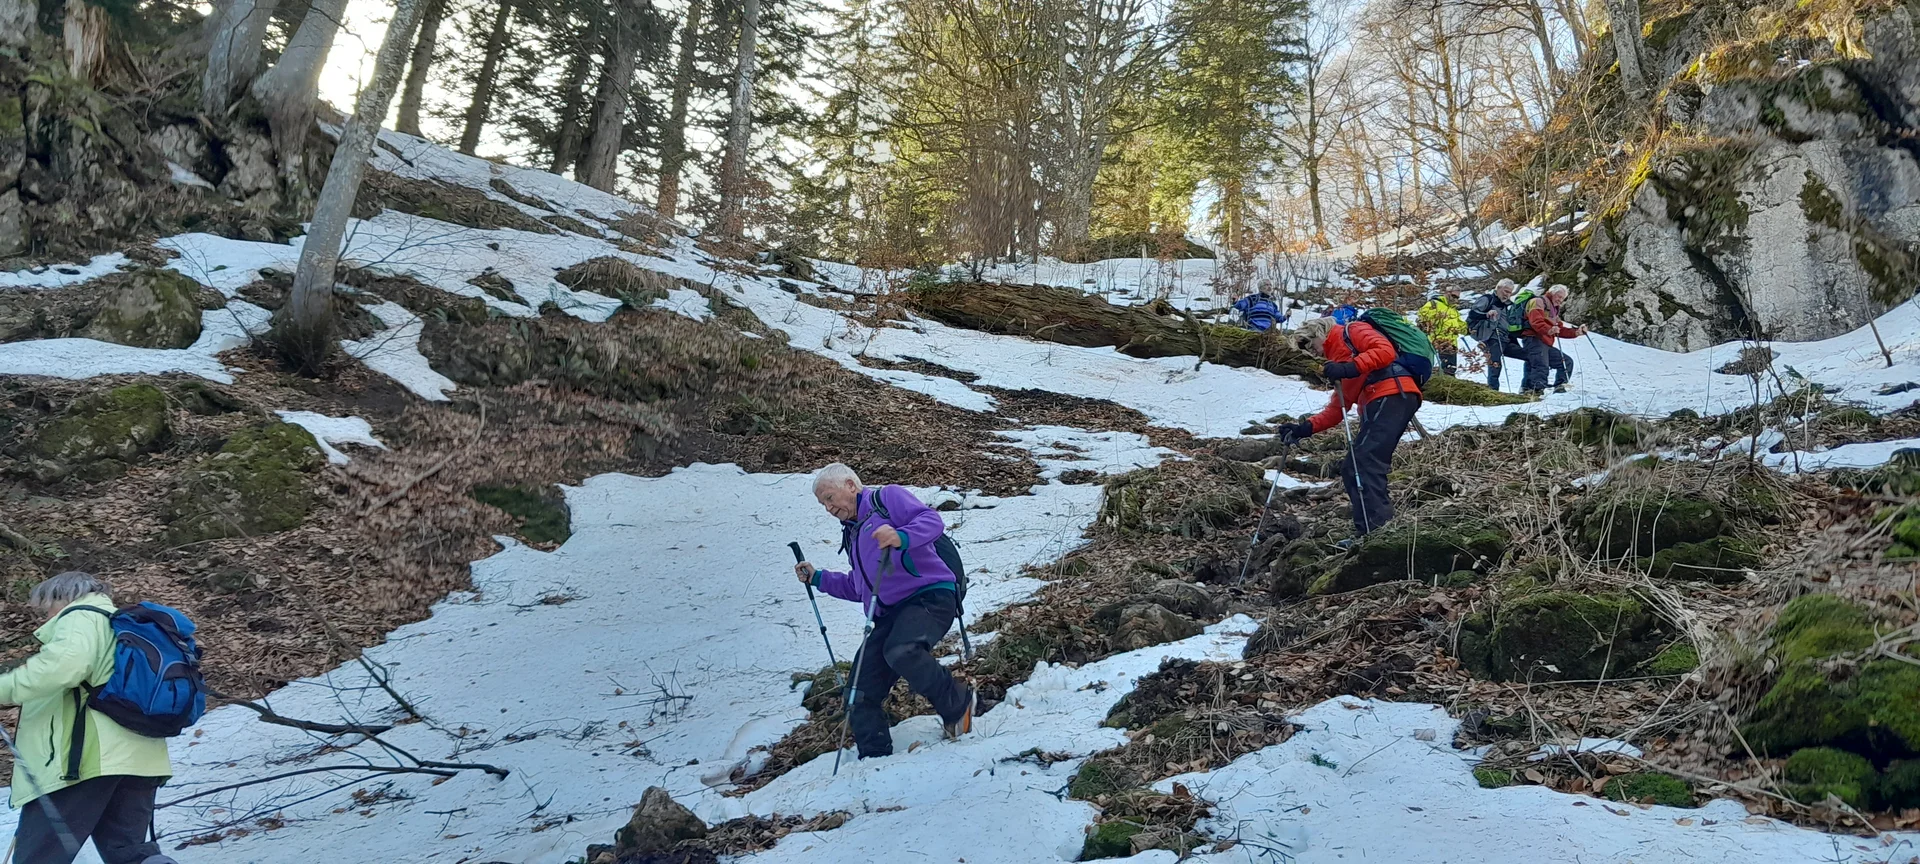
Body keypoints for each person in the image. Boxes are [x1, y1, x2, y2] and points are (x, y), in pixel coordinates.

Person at [794, 464, 977, 758]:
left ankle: (958, 703)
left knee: (902, 650)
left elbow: (931, 521)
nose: (828, 508)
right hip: (888, 614)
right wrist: (818, 578)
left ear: (850, 485)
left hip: (929, 596)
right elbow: (859, 587)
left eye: (829, 497)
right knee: (857, 692)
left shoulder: (887, 499)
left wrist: (901, 536)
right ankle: (873, 760)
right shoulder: (853, 534)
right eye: (822, 503)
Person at [0, 572, 176, 864]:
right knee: (129, 854)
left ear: (62, 597)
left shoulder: (81, 617)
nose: (46, 617)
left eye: (46, 608)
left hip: (83, 764)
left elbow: (60, 669)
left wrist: (3, 688)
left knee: (39, 857)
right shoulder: (119, 624)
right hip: (140, 760)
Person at [1277, 317, 1423, 539]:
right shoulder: (1338, 362)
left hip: (1392, 393)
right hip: (1387, 399)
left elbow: (1385, 351)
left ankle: (1375, 534)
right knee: (1357, 465)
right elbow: (1337, 409)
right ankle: (1373, 531)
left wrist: (1349, 367)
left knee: (1362, 463)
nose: (1309, 351)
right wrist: (1303, 429)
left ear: (1318, 333)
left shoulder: (1352, 330)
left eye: (1307, 343)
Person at [1518, 283, 1584, 394]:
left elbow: (1559, 329)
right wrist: (1549, 330)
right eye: (1559, 296)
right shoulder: (1538, 302)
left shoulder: (1553, 310)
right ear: (1552, 293)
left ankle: (1559, 387)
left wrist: (1576, 332)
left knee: (1566, 362)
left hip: (1545, 342)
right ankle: (1534, 391)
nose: (1560, 300)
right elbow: (1536, 322)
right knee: (1540, 365)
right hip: (1533, 339)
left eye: (1562, 298)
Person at [1468, 279, 1523, 391]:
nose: (1507, 295)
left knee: (1530, 356)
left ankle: (1528, 387)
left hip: (1506, 339)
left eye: (1510, 292)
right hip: (1491, 337)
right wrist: (1486, 315)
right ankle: (1493, 390)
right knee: (1495, 363)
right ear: (1498, 288)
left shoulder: (1508, 305)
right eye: (1505, 291)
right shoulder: (1487, 299)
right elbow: (1472, 314)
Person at [1416, 289, 1466, 376]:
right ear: (1447, 293)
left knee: (1450, 371)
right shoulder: (1434, 304)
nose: (1455, 299)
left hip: (1450, 344)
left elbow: (1461, 326)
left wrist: (1473, 330)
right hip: (1436, 341)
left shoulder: (1453, 310)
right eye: (1454, 296)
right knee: (1427, 368)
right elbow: (1423, 319)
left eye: (1457, 297)